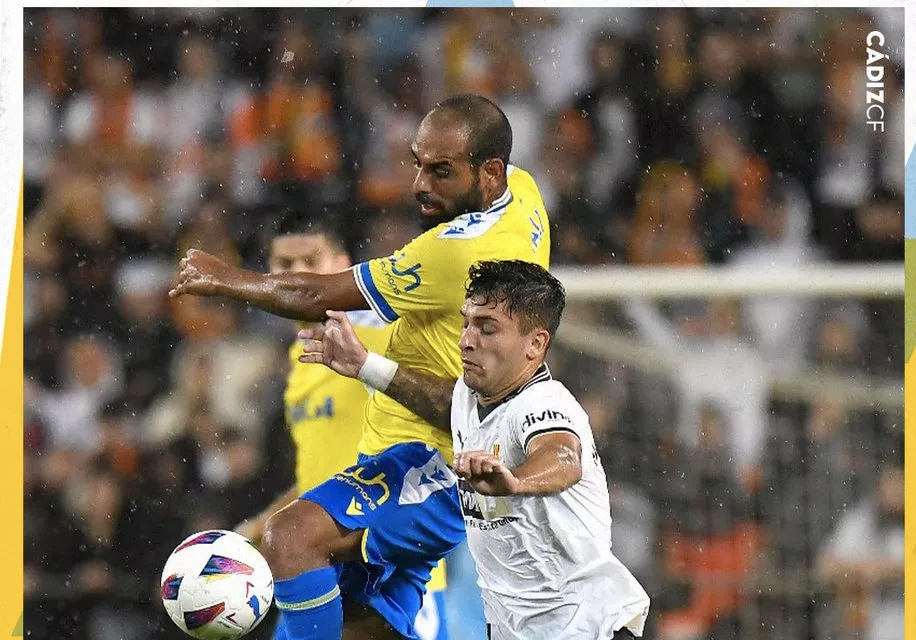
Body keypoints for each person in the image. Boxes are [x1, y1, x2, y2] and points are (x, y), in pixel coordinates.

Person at [169, 94, 552, 640]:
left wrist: (226, 278)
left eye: (441, 171)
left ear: (489, 174)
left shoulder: (447, 263)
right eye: (418, 163)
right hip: (381, 479)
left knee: (294, 539)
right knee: (346, 609)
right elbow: (317, 469)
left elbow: (316, 296)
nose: (420, 185)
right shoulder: (523, 191)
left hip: (428, 470)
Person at [298, 260, 651, 639]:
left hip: (589, 628)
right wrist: (365, 365)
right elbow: (442, 402)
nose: (467, 339)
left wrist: (515, 481)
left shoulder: (544, 404)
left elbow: (563, 456)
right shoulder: (473, 397)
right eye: (467, 322)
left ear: (536, 344)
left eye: (487, 328)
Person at [234, 213, 450, 640]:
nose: (296, 275)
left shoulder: (370, 332)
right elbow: (320, 474)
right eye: (284, 264)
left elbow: (444, 395)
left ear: (343, 265)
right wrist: (255, 528)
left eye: (310, 260)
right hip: (319, 571)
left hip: (385, 575)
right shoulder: (300, 364)